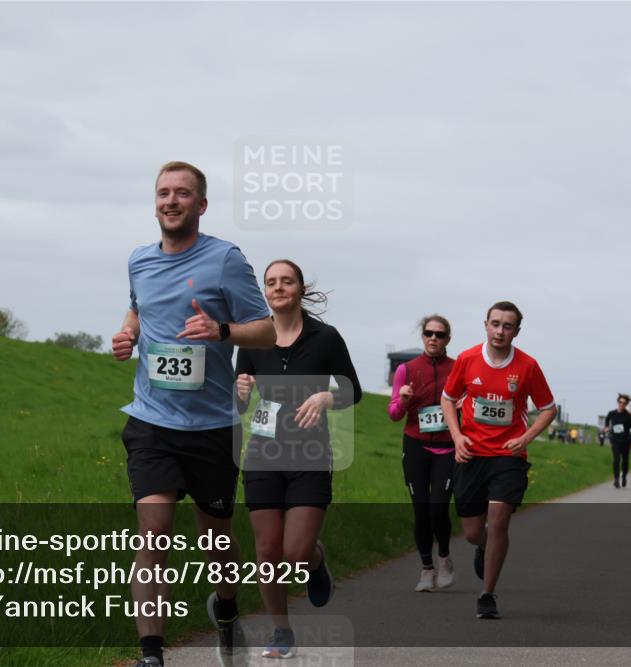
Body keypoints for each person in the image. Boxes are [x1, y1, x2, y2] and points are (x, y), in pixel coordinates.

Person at [112, 161, 275, 667]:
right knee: (153, 532)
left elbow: (266, 330)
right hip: (152, 420)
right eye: (164, 192)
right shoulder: (139, 260)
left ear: (200, 205)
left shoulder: (225, 260)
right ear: (155, 201)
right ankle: (151, 654)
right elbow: (138, 306)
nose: (171, 200)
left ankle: (226, 608)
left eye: (183, 193)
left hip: (211, 428)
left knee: (217, 545)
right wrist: (129, 333)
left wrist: (222, 333)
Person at [234, 259, 362, 659]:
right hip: (263, 453)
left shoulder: (326, 338)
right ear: (265, 291)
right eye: (271, 282)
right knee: (268, 550)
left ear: (300, 288)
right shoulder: (254, 339)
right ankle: (281, 631)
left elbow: (352, 390)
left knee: (295, 552)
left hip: (309, 454)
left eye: (286, 281)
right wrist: (239, 389)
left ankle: (315, 559)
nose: (278, 288)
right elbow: (238, 402)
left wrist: (327, 396)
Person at [440, 301, 556, 620]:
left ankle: (487, 594)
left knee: (499, 519)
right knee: (475, 531)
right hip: (471, 453)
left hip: (509, 455)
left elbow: (548, 408)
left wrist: (525, 437)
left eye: (507, 326)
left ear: (516, 331)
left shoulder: (528, 366)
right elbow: (448, 400)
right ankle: (482, 546)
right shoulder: (467, 359)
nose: (500, 331)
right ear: (486, 325)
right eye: (495, 324)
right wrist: (457, 436)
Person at [388, 315, 457, 593]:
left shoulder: (457, 368)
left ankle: (445, 558)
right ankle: (426, 569)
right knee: (421, 511)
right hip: (415, 446)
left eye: (439, 335)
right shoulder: (406, 369)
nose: (433, 338)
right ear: (422, 336)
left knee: (438, 507)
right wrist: (403, 401)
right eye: (429, 333)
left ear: (447, 340)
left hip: (447, 447)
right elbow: (393, 414)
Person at [603, 394, 631, 488]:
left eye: (624, 403)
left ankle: (624, 476)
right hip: (615, 440)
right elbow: (607, 419)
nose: (622, 404)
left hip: (625, 440)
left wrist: (630, 415)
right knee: (616, 459)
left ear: (626, 404)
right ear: (618, 402)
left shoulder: (627, 414)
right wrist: (606, 427)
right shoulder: (612, 413)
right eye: (620, 402)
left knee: (625, 460)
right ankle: (616, 479)